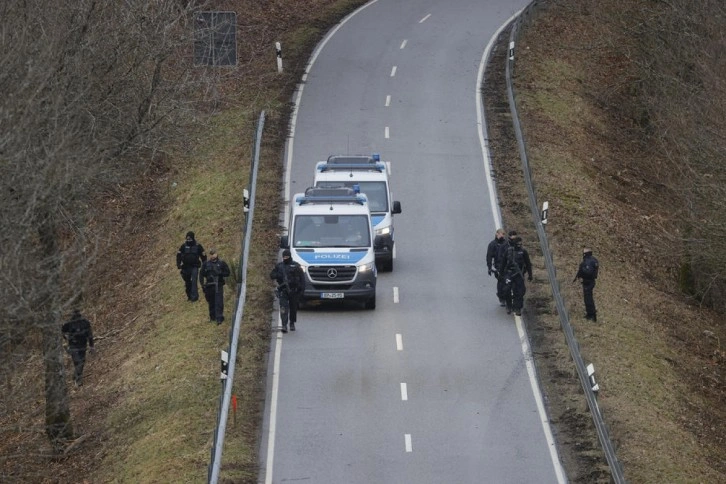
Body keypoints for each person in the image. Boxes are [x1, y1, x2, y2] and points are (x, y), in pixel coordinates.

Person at [269, 249, 305, 333]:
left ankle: (292, 323)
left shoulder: (296, 266)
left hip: (293, 291)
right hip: (283, 291)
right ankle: (284, 325)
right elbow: (272, 275)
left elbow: (302, 278)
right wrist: (278, 275)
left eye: (287, 257)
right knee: (283, 308)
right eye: (284, 257)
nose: (285, 258)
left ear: (290, 256)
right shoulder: (279, 266)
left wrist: (302, 290)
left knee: (293, 308)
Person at [61, 310, 95, 386]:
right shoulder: (69, 324)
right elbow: (62, 331)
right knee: (78, 361)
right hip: (73, 345)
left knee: (82, 362)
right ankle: (78, 379)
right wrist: (65, 337)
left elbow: (90, 334)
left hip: (83, 345)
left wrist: (91, 346)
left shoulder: (85, 322)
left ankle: (76, 375)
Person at [501, 236, 532, 316]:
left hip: (519, 274)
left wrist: (530, 274)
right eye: (518, 243)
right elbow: (503, 263)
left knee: (520, 292)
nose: (519, 245)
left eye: (520, 244)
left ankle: (517, 308)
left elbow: (528, 264)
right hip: (509, 273)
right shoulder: (508, 251)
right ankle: (509, 305)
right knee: (507, 289)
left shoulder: (523, 252)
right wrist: (501, 274)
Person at [200, 249, 231, 324]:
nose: (212, 255)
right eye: (211, 254)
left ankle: (219, 318)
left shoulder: (221, 263)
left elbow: (227, 273)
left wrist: (220, 273)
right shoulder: (206, 264)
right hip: (209, 285)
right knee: (211, 302)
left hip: (218, 284)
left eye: (214, 254)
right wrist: (202, 285)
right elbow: (201, 274)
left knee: (219, 301)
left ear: (216, 254)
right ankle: (212, 317)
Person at [176, 231, 207, 302]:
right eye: (187, 239)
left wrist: (204, 265)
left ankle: (194, 297)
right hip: (185, 267)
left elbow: (203, 256)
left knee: (194, 281)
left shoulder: (198, 246)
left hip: (194, 266)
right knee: (187, 282)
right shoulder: (183, 246)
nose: (188, 240)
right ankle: (189, 296)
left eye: (190, 239)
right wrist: (178, 264)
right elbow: (178, 255)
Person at [574, 247, 599, 321]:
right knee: (589, 298)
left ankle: (591, 314)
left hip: (588, 282)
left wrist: (581, 272)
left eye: (584, 252)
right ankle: (591, 313)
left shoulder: (588, 261)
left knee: (588, 299)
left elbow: (588, 272)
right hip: (591, 281)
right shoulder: (594, 260)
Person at [495, 230, 519, 308]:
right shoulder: (504, 246)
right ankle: (501, 297)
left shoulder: (519, 246)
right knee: (502, 283)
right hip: (505, 268)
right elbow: (500, 258)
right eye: (512, 238)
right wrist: (500, 269)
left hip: (515, 269)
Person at [486, 228, 507, 305]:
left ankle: (507, 296)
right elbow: (489, 256)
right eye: (501, 234)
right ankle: (501, 297)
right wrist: (489, 267)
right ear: (497, 234)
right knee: (501, 281)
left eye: (503, 234)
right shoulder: (492, 244)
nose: (502, 235)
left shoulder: (506, 244)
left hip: (506, 265)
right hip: (498, 266)